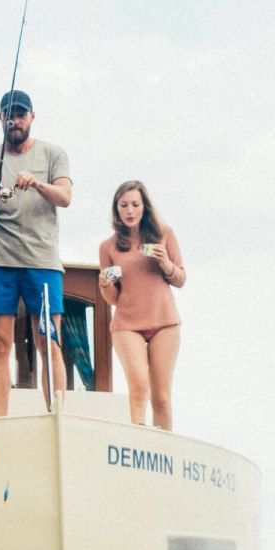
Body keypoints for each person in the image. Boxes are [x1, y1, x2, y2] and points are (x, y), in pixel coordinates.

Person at [0, 90, 73, 416]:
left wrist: (38, 184)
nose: (15, 120)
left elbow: (65, 197)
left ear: (32, 116)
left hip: (42, 261)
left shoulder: (53, 154)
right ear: (0, 119)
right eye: (8, 114)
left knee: (49, 342)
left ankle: (55, 416)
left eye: (21, 114)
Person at [98, 180, 185, 429]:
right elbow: (114, 298)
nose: (129, 211)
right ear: (116, 210)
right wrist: (105, 284)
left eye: (135, 204)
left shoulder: (164, 234)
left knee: (162, 397)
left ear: (144, 207)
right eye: (123, 205)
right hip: (127, 324)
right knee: (138, 387)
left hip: (165, 322)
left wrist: (166, 264)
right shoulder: (108, 247)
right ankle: (139, 441)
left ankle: (163, 453)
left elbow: (180, 279)